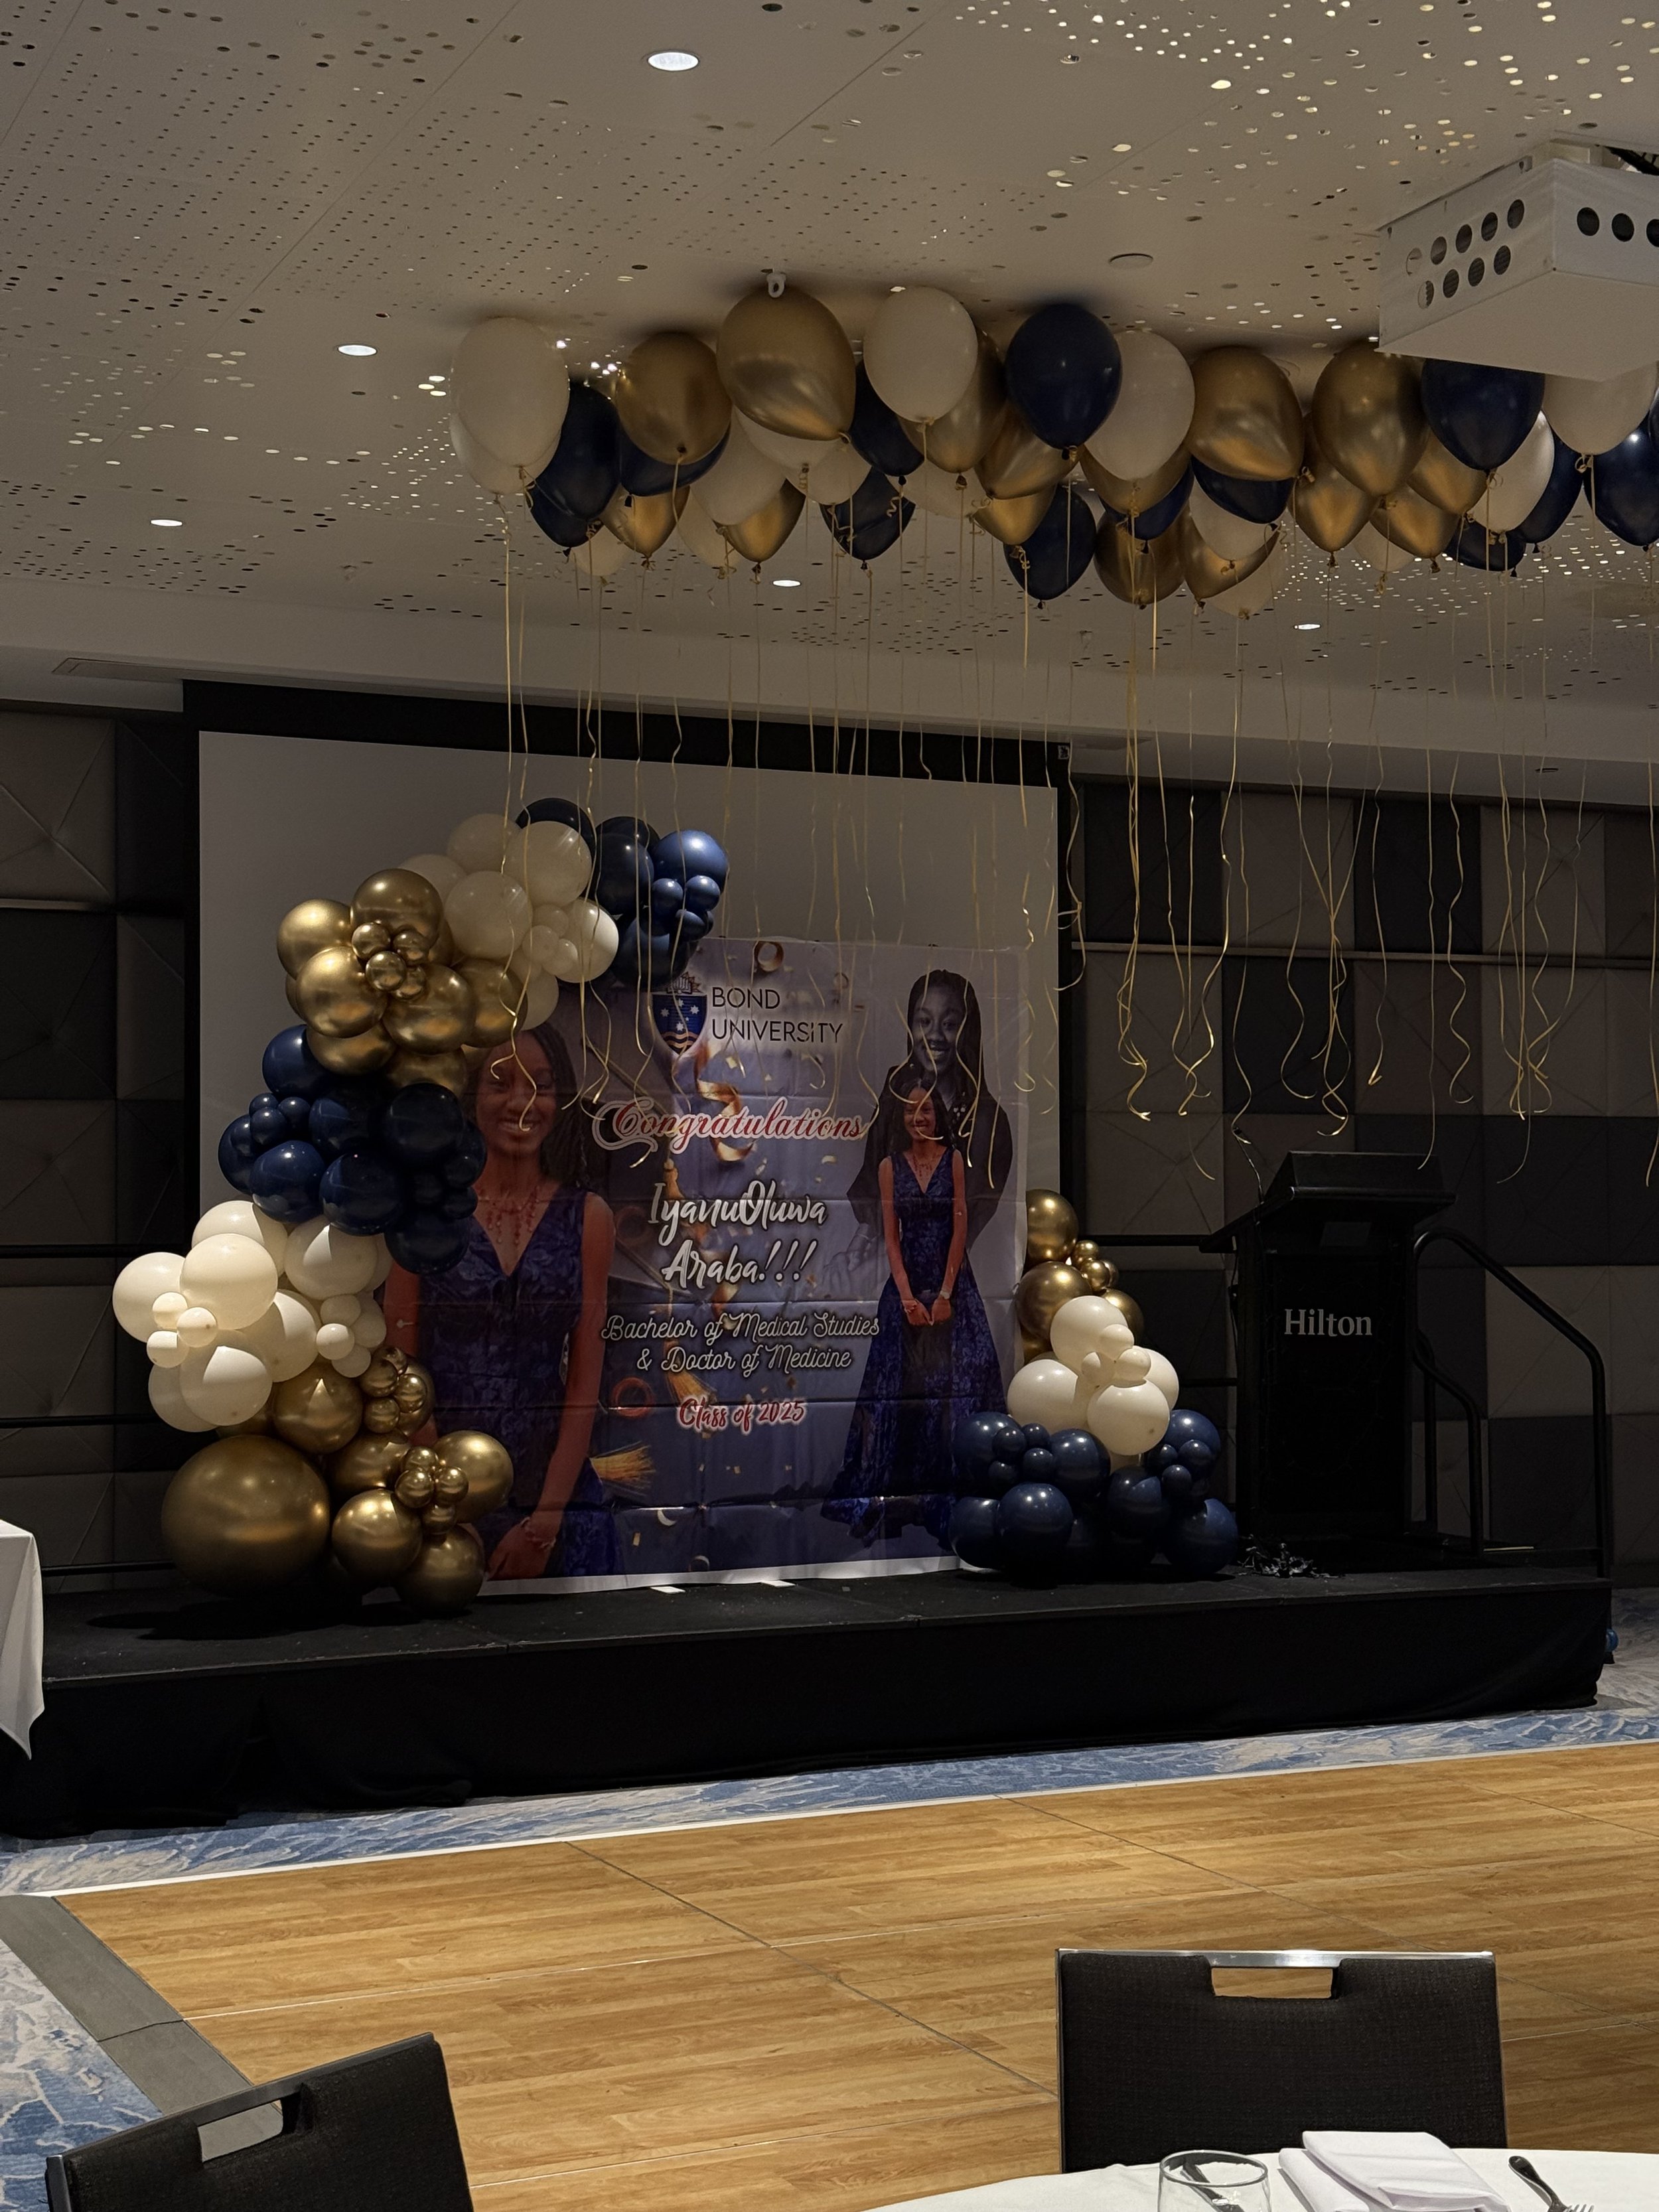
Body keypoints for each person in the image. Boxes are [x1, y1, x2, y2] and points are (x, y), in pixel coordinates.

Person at [380, 1025, 619, 1582]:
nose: (522, 1102)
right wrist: (447, 1507)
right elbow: (398, 1373)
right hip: (436, 1488)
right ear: (470, 1097)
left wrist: (545, 1523)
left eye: (542, 1084)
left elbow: (585, 1389)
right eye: (501, 1083)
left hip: (555, 1497)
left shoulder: (590, 1218)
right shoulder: (427, 1215)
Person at [828, 1067, 1005, 1536]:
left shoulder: (954, 1162)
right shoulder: (889, 1166)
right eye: (910, 1110)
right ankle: (893, 1499)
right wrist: (907, 1296)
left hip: (953, 1285)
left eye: (925, 1108)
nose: (918, 1116)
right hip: (906, 1284)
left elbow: (960, 1230)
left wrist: (945, 1294)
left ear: (938, 1113)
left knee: (959, 1385)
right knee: (894, 1390)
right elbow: (891, 1239)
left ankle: (956, 1497)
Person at [850, 968, 1013, 1248]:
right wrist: (861, 1245)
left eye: (949, 1025)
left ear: (968, 1033)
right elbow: (871, 1181)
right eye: (924, 1021)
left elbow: (970, 1216)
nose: (934, 1036)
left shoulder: (987, 1121)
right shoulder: (894, 1097)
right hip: (887, 1259)